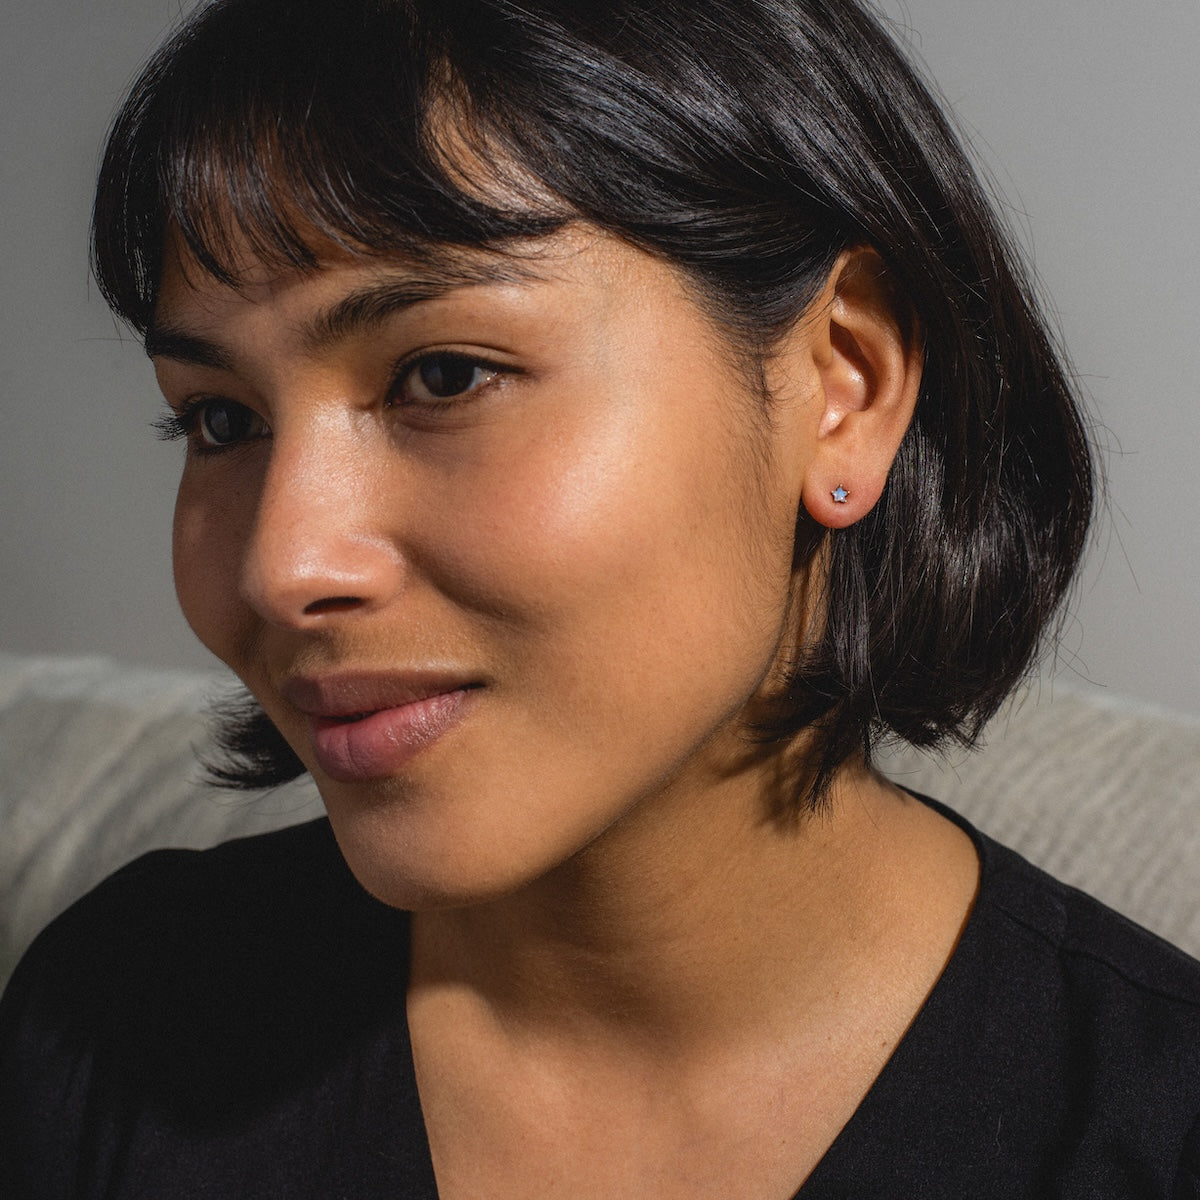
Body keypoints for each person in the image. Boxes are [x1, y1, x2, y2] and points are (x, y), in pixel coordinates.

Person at [2, 0, 1198, 1195]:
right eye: (222, 421)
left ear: (845, 382)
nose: (283, 564)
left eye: (445, 374)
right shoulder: (115, 1022)